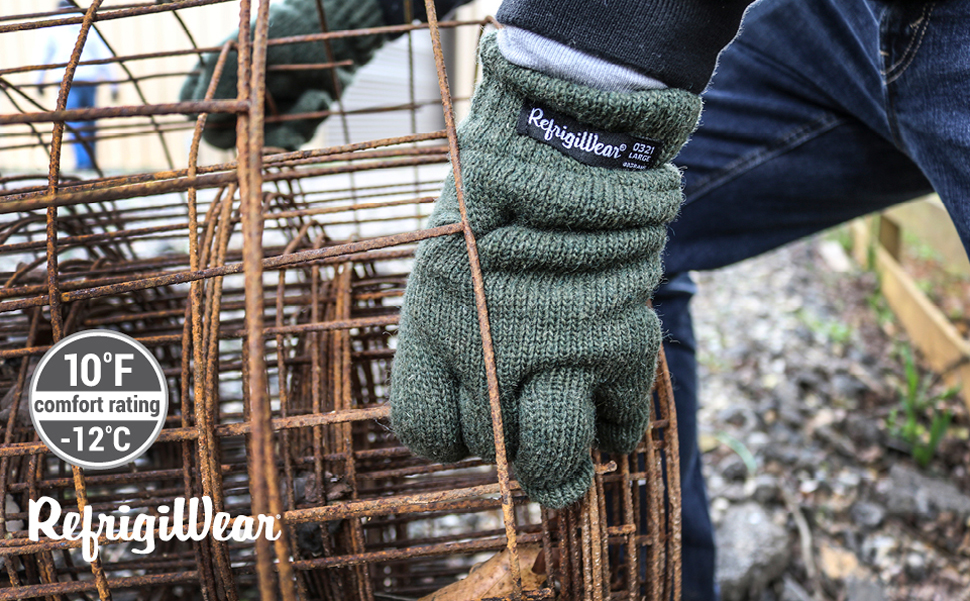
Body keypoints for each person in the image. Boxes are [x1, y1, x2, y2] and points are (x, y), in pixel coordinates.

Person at [184, 1, 970, 599]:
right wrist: (339, 16)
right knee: (633, 235)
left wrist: (573, 102)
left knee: (592, 219)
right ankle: (657, 581)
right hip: (833, 19)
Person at [37, 0, 120, 172]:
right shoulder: (86, 23)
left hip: (67, 82)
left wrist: (38, 81)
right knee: (89, 121)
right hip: (89, 80)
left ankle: (84, 164)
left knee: (75, 123)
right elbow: (103, 54)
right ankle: (89, 161)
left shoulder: (53, 25)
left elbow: (43, 54)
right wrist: (114, 83)